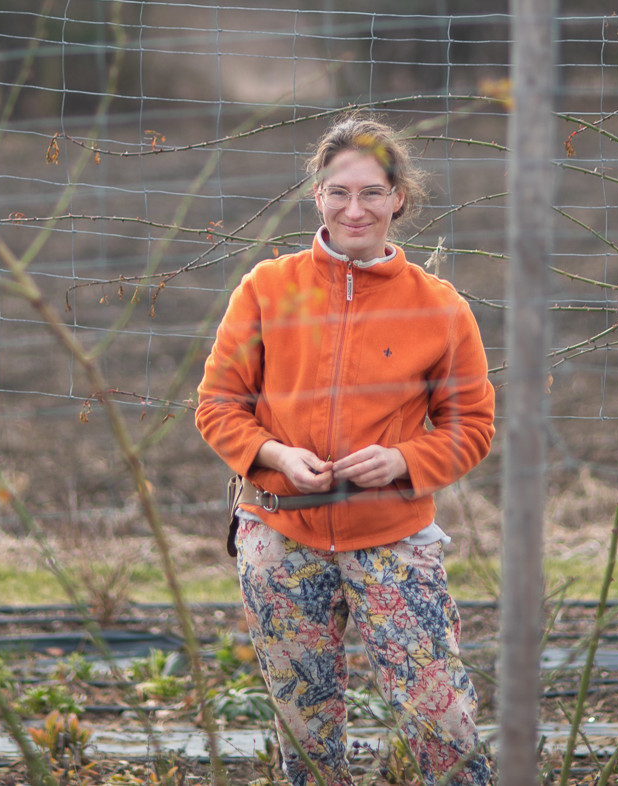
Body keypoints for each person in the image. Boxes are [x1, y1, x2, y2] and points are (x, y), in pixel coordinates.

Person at [196, 112, 496, 786]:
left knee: (440, 720)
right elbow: (217, 405)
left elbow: (471, 424)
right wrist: (273, 455)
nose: (353, 209)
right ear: (317, 196)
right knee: (306, 734)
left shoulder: (441, 308)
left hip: (393, 537)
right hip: (280, 535)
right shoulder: (267, 289)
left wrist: (404, 462)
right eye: (338, 192)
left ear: (399, 198)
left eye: (370, 193)